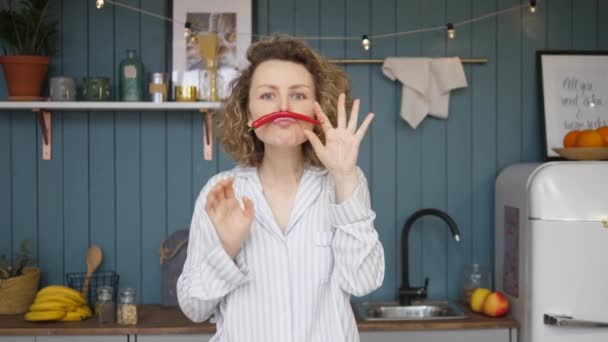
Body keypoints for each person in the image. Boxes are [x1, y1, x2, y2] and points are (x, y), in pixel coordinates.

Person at [177, 34, 385, 342]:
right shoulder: (223, 192)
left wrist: (344, 175)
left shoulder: (344, 183)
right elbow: (194, 307)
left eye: (298, 95)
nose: (284, 107)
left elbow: (364, 281)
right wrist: (227, 249)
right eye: (268, 95)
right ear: (248, 114)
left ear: (317, 111)